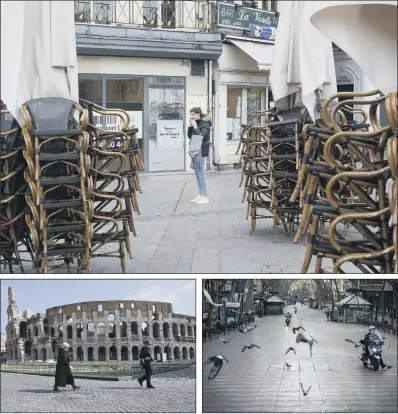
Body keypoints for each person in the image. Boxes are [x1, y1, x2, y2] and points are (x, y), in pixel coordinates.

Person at [187, 107, 211, 205]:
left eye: (193, 114)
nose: (191, 116)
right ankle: (201, 194)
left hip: (201, 150)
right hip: (194, 150)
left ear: (198, 114)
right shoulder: (196, 124)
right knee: (197, 173)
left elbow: (200, 136)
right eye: (191, 114)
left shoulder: (205, 124)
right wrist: (190, 127)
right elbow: (190, 136)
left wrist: (196, 127)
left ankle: (205, 196)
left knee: (201, 173)